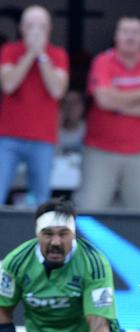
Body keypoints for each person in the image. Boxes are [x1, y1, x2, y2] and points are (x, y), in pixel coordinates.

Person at [0, 198, 140, 332]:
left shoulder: (93, 263)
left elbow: (98, 323)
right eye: (48, 234)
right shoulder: (16, 263)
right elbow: (3, 311)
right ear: (38, 234)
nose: (55, 242)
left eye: (63, 234)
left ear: (74, 234)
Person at [75, 17, 140, 212]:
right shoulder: (102, 61)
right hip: (100, 151)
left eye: (136, 32)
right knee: (89, 209)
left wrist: (120, 107)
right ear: (116, 37)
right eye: (125, 32)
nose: (130, 37)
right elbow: (103, 100)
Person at [0, 5, 69, 206]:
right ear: (22, 28)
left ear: (49, 29)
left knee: (41, 200)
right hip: (8, 138)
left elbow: (57, 90)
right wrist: (30, 53)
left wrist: (42, 56)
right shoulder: (9, 51)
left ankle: (37, 238)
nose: (36, 31)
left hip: (43, 139)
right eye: (30, 25)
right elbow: (9, 84)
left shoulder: (58, 55)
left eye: (41, 26)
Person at [57, 89, 87, 154]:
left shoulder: (90, 130)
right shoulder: (53, 130)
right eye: (66, 102)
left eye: (75, 102)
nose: (70, 107)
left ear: (82, 106)